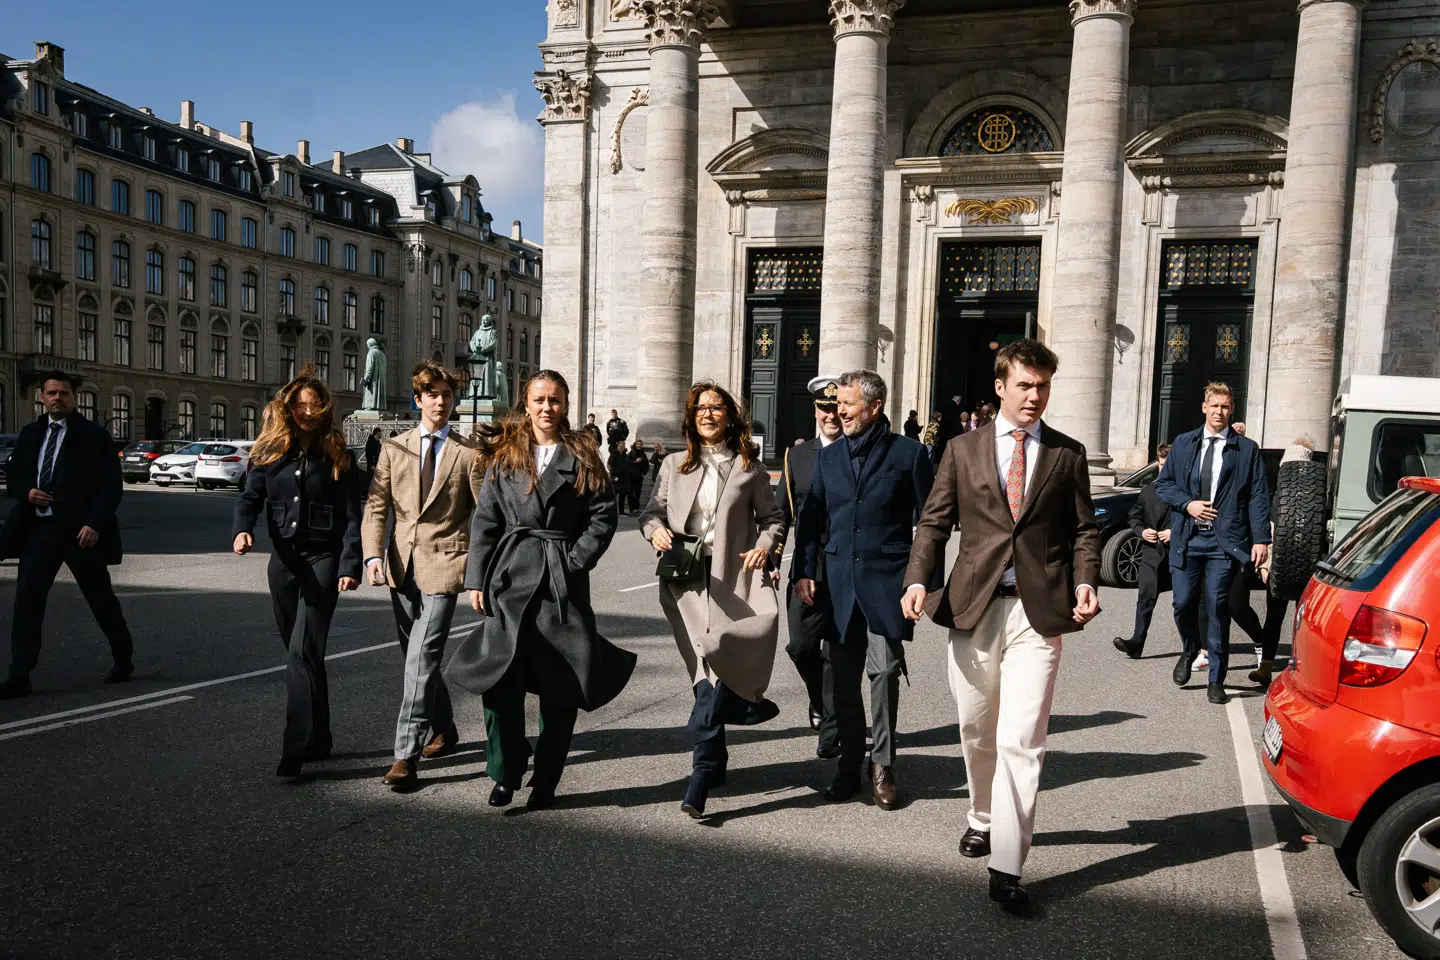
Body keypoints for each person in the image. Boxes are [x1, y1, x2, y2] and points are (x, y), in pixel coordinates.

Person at [902, 339, 1101, 908]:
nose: (1035, 396)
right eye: (1024, 385)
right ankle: (982, 814)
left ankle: (1006, 867)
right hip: (972, 606)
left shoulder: (1068, 453)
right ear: (1000, 387)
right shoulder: (962, 450)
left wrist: (1086, 579)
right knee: (976, 729)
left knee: (1023, 739)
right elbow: (933, 522)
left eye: (1042, 386)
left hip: (1037, 616)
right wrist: (918, 579)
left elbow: (1085, 530)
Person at [448, 370, 636, 809]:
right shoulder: (506, 454)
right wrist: (476, 578)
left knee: (560, 688)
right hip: (510, 579)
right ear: (526, 403)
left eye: (555, 400)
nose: (547, 407)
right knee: (498, 683)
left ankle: (547, 779)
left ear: (566, 405)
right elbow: (486, 521)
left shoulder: (584, 454)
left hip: (560, 585)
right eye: (539, 399)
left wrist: (573, 560)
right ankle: (506, 770)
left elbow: (602, 516)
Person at [641, 382, 784, 819]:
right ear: (691, 416)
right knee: (702, 672)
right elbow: (652, 511)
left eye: (716, 408)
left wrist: (765, 545)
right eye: (700, 408)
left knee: (723, 655)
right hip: (686, 580)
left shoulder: (749, 466)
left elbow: (773, 518)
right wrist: (655, 531)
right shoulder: (673, 464)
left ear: (729, 416)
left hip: (733, 577)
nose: (707, 414)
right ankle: (705, 770)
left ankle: (721, 741)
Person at [794, 370, 934, 810]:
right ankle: (848, 764)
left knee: (885, 671)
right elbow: (812, 520)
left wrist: (923, 582)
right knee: (842, 680)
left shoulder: (910, 454)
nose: (839, 411)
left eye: (848, 404)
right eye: (837, 404)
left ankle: (883, 766)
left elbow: (931, 523)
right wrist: (803, 569)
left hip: (886, 585)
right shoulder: (829, 458)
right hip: (837, 587)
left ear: (874, 407)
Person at [232, 366, 363, 776]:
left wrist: (350, 562)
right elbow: (249, 499)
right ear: (288, 408)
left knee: (300, 652)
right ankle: (321, 736)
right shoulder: (269, 450)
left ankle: (296, 748)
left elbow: (355, 515)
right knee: (306, 655)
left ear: (325, 409)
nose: (307, 412)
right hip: (284, 561)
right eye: (300, 405)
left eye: (314, 405)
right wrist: (242, 531)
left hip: (323, 559)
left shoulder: (338, 452)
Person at [363, 361, 485, 788]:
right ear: (418, 400)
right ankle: (445, 727)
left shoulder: (469, 452)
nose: (439, 401)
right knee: (417, 658)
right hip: (400, 566)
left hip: (446, 564)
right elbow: (377, 508)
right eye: (431, 394)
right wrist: (372, 557)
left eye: (446, 395)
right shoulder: (395, 449)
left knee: (421, 657)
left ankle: (404, 757)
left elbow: (484, 517)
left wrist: (479, 575)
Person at [0, 371, 133, 699]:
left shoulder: (93, 436)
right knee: (27, 603)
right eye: (51, 393)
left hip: (80, 532)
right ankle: (20, 676)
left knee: (100, 599)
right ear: (42, 397)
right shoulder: (31, 434)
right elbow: (14, 479)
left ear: (74, 397)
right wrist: (27, 492)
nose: (57, 398)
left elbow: (110, 488)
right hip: (39, 531)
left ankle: (123, 658)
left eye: (63, 393)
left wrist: (95, 524)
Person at [1156, 381, 1271, 705]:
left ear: (1231, 409)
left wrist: (1261, 538)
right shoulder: (1183, 444)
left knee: (1218, 608)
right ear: (1204, 408)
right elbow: (1164, 485)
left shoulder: (1246, 449)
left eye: (1225, 406)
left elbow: (1259, 496)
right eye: (1214, 405)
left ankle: (1216, 679)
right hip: (1188, 539)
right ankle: (1190, 647)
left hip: (1225, 542)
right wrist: (1188, 504)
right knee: (1183, 603)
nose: (1219, 411)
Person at [773, 376, 843, 760]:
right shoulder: (796, 456)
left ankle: (831, 731)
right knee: (801, 647)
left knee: (837, 652)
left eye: (835, 408)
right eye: (823, 408)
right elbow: (781, 514)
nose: (830, 415)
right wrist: (771, 557)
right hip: (807, 567)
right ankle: (820, 700)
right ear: (815, 411)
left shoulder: (857, 450)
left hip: (846, 569)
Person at [1113, 443, 1173, 659]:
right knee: (1145, 598)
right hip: (1151, 553)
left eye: (1168, 465)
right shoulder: (1149, 490)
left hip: (1179, 554)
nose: (1163, 469)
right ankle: (1137, 642)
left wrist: (1175, 532)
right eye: (1160, 464)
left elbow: (1196, 518)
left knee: (1185, 605)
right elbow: (1134, 516)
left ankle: (1195, 648)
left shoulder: (1188, 490)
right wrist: (1142, 531)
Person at [625, 439, 650, 514]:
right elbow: (626, 462)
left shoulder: (643, 454)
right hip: (631, 476)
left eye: (640, 444)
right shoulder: (631, 453)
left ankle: (636, 507)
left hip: (639, 476)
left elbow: (646, 465)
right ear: (635, 445)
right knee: (631, 492)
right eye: (638, 444)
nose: (639, 445)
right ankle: (631, 508)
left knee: (638, 493)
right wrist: (635, 461)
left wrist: (644, 473)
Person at [609, 440, 633, 515]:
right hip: (616, 478)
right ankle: (610, 510)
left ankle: (621, 511)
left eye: (622, 446)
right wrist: (614, 476)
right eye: (620, 446)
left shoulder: (625, 455)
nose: (621, 448)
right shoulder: (613, 455)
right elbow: (610, 465)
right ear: (617, 447)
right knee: (613, 495)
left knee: (623, 495)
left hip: (624, 478)